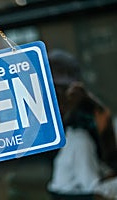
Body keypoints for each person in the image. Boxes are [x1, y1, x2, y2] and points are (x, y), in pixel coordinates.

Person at [47, 50, 117, 199]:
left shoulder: (86, 121)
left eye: (63, 91)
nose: (61, 101)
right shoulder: (76, 139)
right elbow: (95, 191)